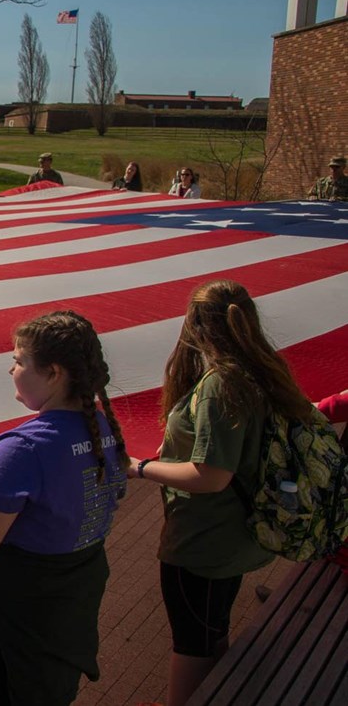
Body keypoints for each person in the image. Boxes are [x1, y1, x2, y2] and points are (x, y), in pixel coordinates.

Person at [125, 280, 315, 706]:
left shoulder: (220, 384)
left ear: (195, 325)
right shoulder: (262, 369)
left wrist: (140, 469)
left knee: (193, 644)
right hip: (235, 539)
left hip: (205, 543)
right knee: (212, 632)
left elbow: (212, 476)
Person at [0, 310, 129, 706]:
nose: (10, 370)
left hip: (7, 622)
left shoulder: (20, 452)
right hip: (65, 612)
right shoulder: (102, 429)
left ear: (53, 373)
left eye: (18, 361)